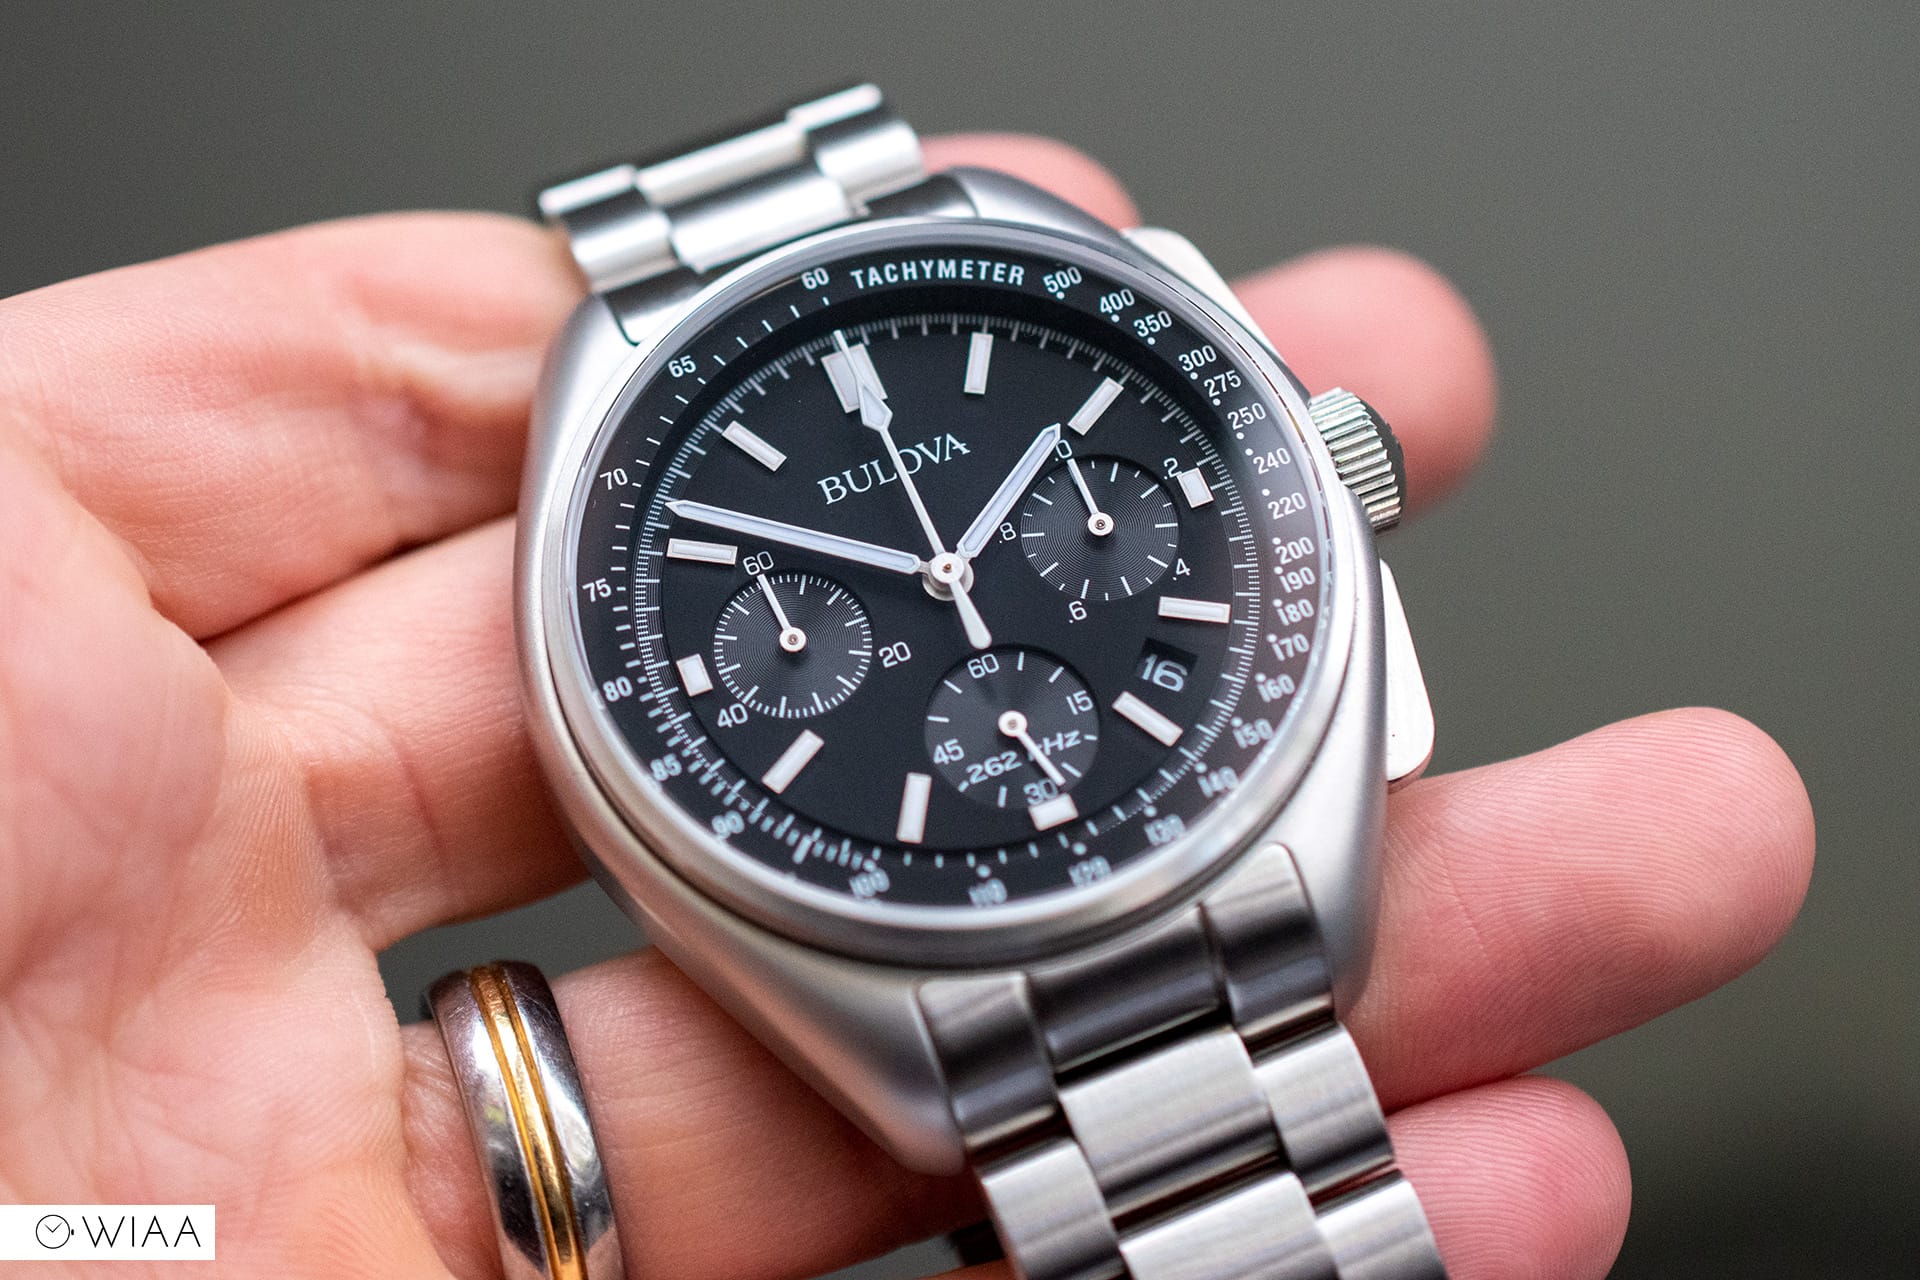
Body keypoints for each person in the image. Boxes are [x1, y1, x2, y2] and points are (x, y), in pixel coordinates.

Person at [0, 133, 1813, 1279]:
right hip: (946, 983)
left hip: (1217, 872)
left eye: (1002, 536)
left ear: (1328, 475)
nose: (947, 578)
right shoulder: (616, 470)